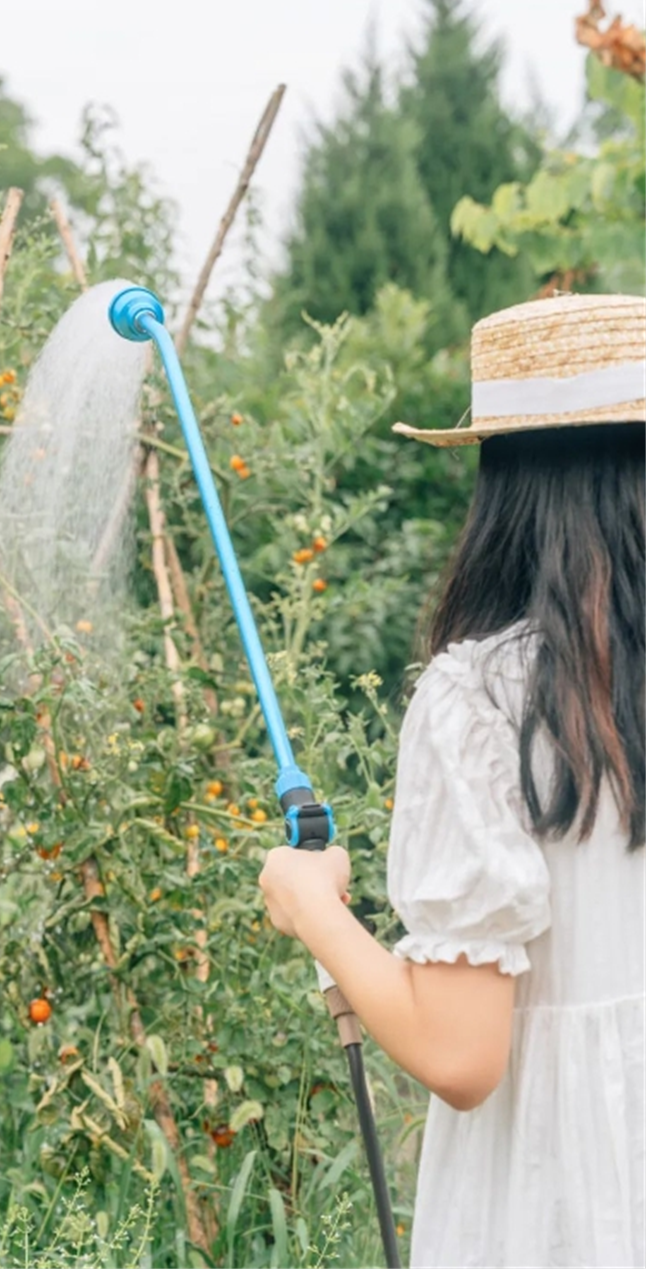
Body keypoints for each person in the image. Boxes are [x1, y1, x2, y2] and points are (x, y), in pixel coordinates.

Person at [259, 293, 646, 1269]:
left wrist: (313, 910)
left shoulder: (480, 697)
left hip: (554, 1202)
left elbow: (461, 1056)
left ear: (501, 475)